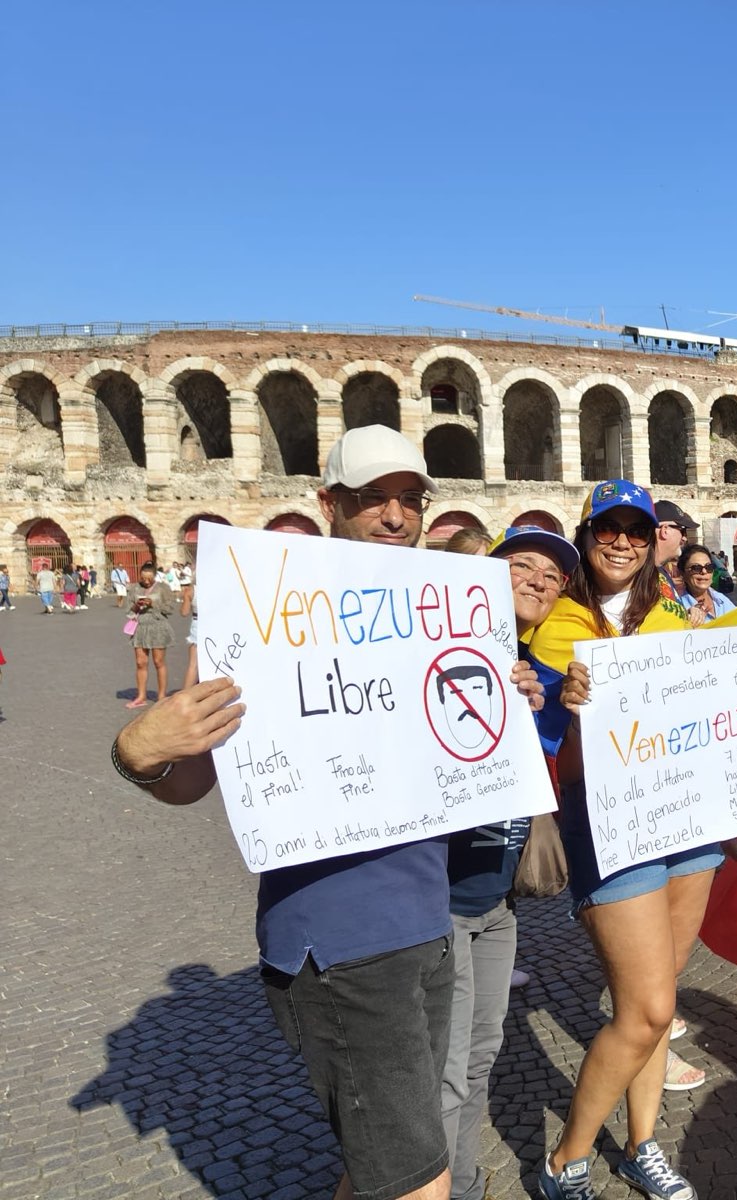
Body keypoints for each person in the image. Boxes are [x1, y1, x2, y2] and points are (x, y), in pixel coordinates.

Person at [111, 424, 546, 1200]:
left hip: (429, 921)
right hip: (339, 944)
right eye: (371, 498)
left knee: (380, 1162)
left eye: (410, 499)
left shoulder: (437, 617)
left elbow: (459, 749)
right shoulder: (258, 619)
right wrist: (139, 753)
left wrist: (507, 705)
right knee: (417, 1179)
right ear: (327, 503)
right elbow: (188, 782)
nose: (394, 516)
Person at [528, 480, 723, 1199]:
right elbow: (555, 759)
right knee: (647, 1009)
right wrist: (570, 710)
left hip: (690, 818)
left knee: (655, 1004)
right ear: (586, 536)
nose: (621, 540)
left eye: (635, 531)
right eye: (607, 528)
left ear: (651, 542)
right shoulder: (558, 622)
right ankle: (566, 1159)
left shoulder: (672, 613)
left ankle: (642, 1145)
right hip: (611, 825)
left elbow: (714, 693)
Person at [440, 523, 579, 1200]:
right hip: (438, 897)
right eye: (520, 565)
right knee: (444, 1065)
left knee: (477, 1057)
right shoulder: (437, 651)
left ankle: (456, 1180)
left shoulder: (532, 670)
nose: (536, 581)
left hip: (497, 899)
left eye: (551, 577)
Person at [125, 561, 176, 708]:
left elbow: (170, 608)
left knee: (158, 662)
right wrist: (137, 605)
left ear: (155, 576)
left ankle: (161, 696)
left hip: (158, 626)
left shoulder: (163, 588)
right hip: (140, 627)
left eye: (149, 579)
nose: (146, 582)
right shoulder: (135, 589)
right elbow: (128, 610)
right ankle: (141, 696)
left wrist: (152, 604)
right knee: (141, 663)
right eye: (143, 579)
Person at [652, 501, 699, 603]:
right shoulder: (640, 573)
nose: (685, 538)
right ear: (665, 530)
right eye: (683, 531)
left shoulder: (659, 571)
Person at [679, 543, 737, 620]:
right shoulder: (678, 607)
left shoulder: (721, 599)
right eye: (696, 568)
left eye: (709, 567)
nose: (704, 571)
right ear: (683, 573)